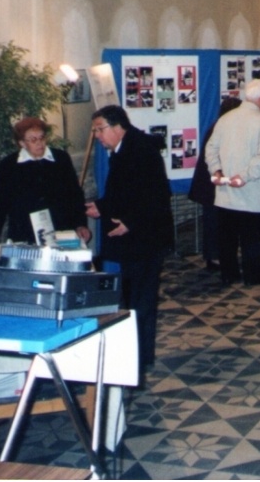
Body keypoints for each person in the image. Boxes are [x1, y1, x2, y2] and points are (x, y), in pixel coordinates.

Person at [86, 105, 173, 371]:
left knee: (141, 300)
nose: (98, 137)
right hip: (134, 241)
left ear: (116, 126)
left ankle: (140, 357)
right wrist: (102, 206)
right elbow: (127, 192)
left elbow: (157, 195)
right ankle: (134, 351)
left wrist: (130, 222)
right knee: (132, 297)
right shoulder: (123, 148)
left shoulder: (141, 148)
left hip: (146, 239)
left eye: (100, 130)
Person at [205, 78, 260, 287]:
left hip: (226, 190)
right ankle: (252, 275)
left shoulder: (226, 119)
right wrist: (244, 176)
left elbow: (210, 149)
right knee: (252, 237)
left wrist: (216, 170)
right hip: (252, 190)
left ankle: (229, 273)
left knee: (227, 237)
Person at [0, 117, 91, 246]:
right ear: (22, 143)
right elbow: (0, 204)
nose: (40, 143)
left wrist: (80, 224)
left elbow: (75, 195)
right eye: (33, 140)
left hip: (60, 230)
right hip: (24, 233)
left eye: (42, 137)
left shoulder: (61, 159)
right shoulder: (9, 165)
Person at [188, 97, 242, 272]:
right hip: (212, 185)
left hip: (210, 184)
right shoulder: (221, 129)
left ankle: (214, 256)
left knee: (214, 222)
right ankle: (214, 257)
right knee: (214, 222)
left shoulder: (217, 126)